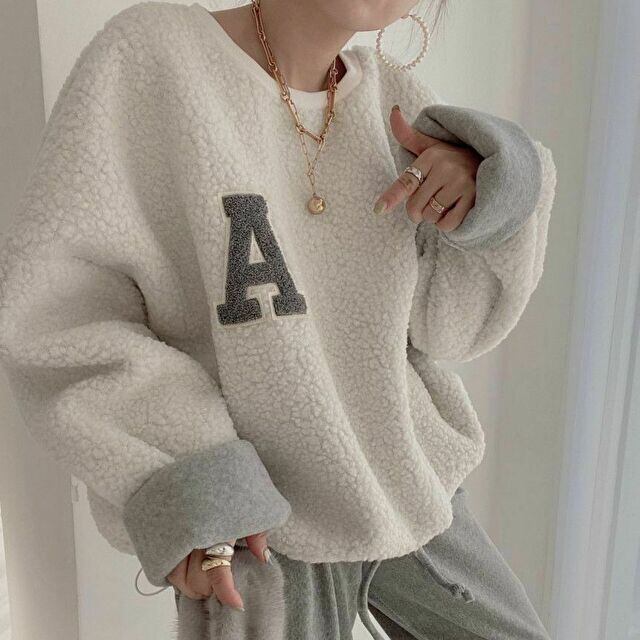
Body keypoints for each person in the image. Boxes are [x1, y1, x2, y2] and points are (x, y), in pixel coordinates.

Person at [0, 0, 557, 638]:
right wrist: (191, 480)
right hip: (256, 523)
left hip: (406, 487)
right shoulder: (155, 59)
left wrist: (484, 195)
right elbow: (61, 309)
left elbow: (448, 327)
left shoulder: (398, 108)